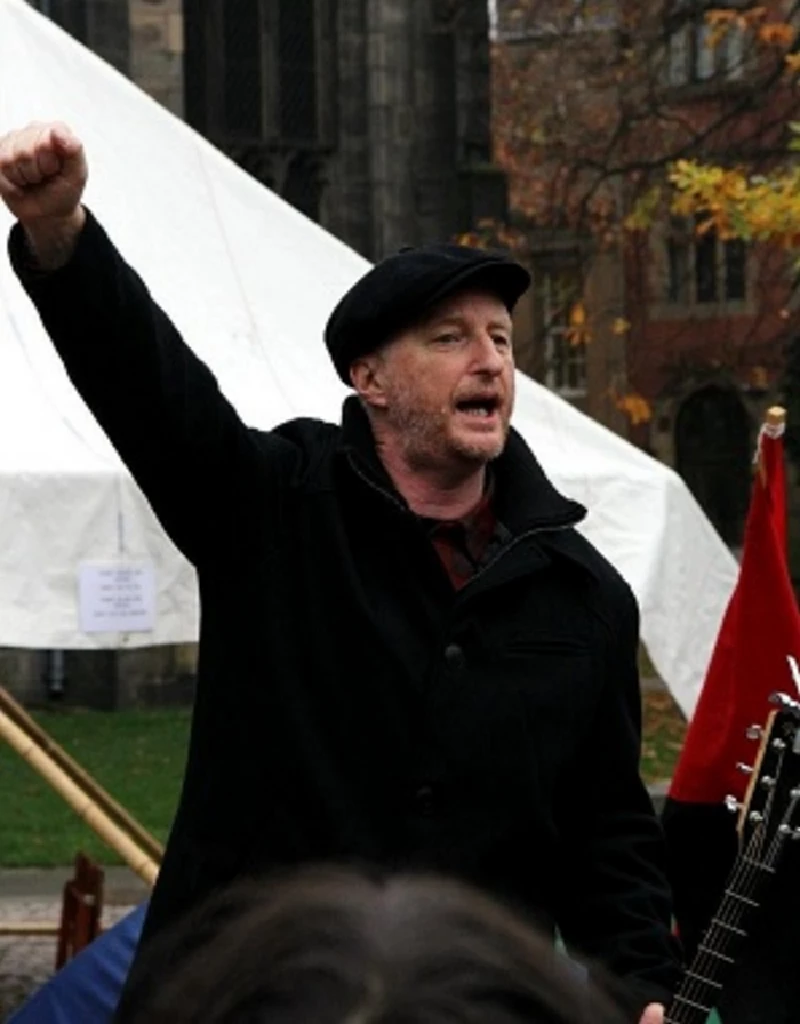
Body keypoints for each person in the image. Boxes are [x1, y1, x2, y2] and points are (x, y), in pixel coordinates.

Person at [0, 123, 681, 1024]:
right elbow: (150, 390)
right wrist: (60, 234)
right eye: (450, 339)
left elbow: (609, 841)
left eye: (503, 341)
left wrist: (638, 992)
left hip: (464, 1010)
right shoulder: (276, 509)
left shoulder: (583, 593)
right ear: (372, 376)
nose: (489, 362)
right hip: (245, 1004)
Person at [116, 864, 629, 1024]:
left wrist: (640, 983)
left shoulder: (588, 610)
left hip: (477, 979)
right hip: (292, 962)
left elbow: (608, 822)